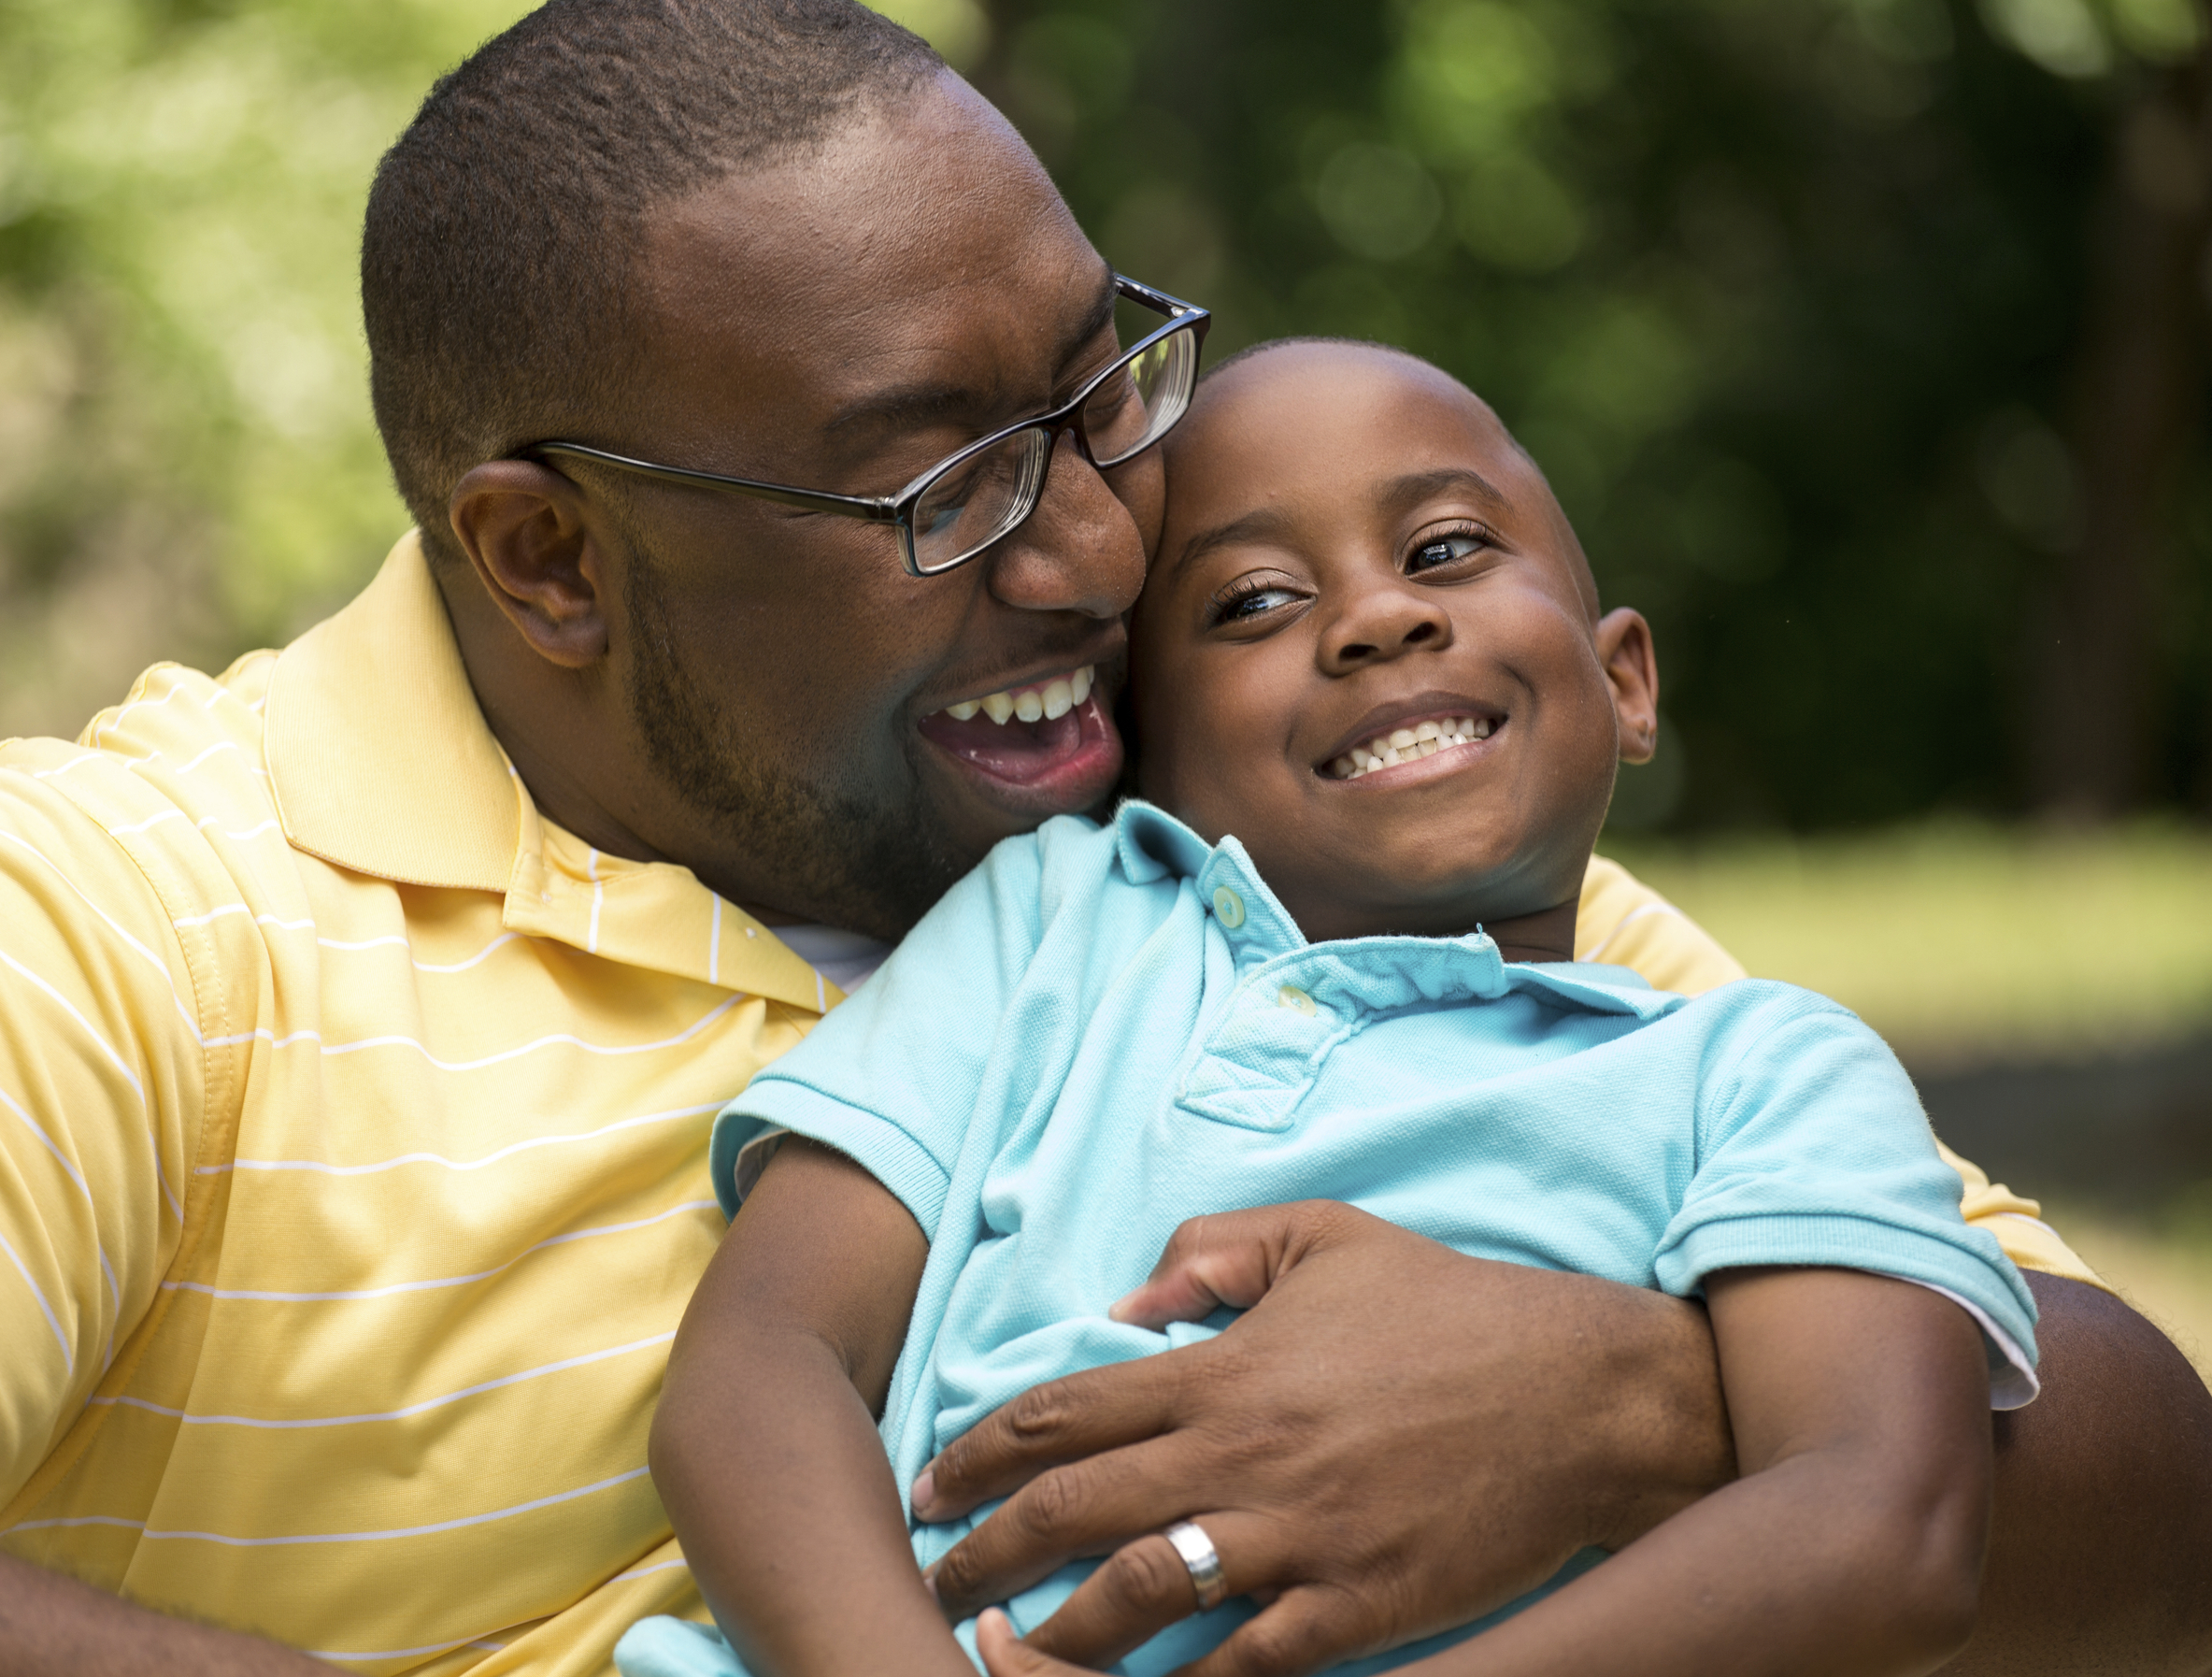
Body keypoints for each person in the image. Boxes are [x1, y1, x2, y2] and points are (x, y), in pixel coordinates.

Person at [0, 0, 2203, 1675]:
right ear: (548, 555)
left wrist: (1641, 1403)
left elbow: (2135, 1507)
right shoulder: (141, 919)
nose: (1098, 547)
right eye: (941, 482)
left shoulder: (1280, 849)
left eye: (1098, 390)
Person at [617, 337, 2041, 1677]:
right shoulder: (1058, 923)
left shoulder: (1761, 1071)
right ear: (1149, 761)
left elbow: (1886, 1518)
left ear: (1625, 682)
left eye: (1446, 549)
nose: (1375, 616)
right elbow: (760, 1361)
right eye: (1253, 605)